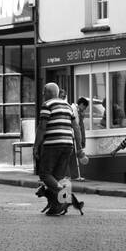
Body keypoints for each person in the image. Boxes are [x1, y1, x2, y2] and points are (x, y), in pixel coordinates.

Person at [34, 82, 84, 216]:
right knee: (57, 177)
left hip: (53, 144)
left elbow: (42, 127)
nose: (43, 95)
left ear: (49, 93)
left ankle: (65, 196)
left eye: (44, 92)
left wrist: (36, 146)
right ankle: (57, 205)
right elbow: (76, 128)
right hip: (68, 145)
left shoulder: (47, 105)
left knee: (44, 174)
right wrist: (79, 147)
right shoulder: (67, 106)